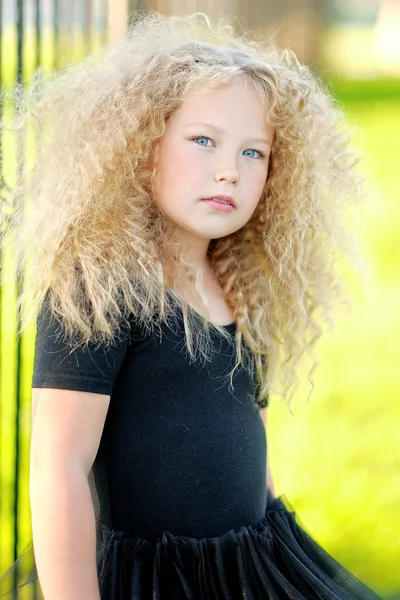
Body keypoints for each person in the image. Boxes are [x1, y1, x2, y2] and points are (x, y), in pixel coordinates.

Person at [0, 10, 383, 600]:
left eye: (254, 153)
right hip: (157, 579)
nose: (228, 170)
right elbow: (59, 467)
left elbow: (245, 429)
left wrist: (275, 537)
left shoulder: (235, 278)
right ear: (142, 146)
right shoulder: (101, 286)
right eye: (203, 141)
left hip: (249, 562)